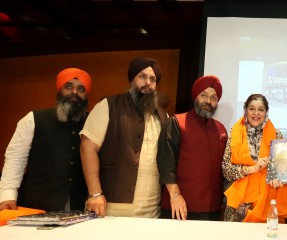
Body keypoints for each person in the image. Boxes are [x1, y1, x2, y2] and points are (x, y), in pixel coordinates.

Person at [80, 57, 168, 218]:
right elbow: (87, 148)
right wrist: (94, 193)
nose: (147, 82)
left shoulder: (163, 115)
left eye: (153, 79)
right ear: (132, 79)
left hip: (151, 209)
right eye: (142, 76)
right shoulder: (108, 106)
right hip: (110, 208)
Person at [0, 68, 92, 212]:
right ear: (59, 90)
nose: (74, 92)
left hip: (79, 207)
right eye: (68, 87)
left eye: (81, 89)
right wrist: (7, 196)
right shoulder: (33, 119)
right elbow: (15, 159)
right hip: (36, 206)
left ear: (86, 94)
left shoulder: (94, 121)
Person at [157, 75, 228, 220]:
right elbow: (165, 164)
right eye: (204, 95)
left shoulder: (221, 129)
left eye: (214, 98)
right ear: (195, 96)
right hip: (180, 207)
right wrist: (175, 195)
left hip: (213, 210)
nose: (208, 101)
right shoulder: (176, 122)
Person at [222, 93, 287, 222]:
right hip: (238, 205)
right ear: (245, 110)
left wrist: (279, 177)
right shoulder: (235, 132)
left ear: (266, 112)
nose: (256, 113)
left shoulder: (276, 135)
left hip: (267, 201)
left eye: (261, 109)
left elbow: (284, 170)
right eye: (252, 108)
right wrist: (253, 168)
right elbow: (226, 170)